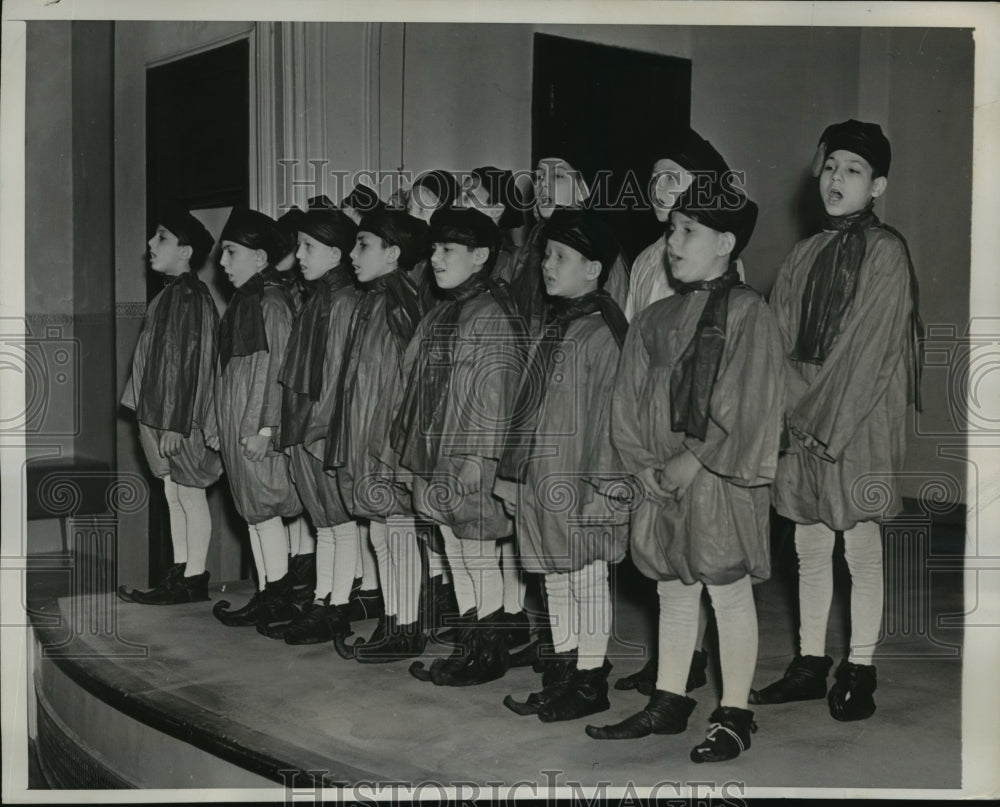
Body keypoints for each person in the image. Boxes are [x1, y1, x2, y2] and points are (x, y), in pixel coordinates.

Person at [590, 179, 782, 764]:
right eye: (671, 229)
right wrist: (642, 464)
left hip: (719, 479)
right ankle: (670, 699)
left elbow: (751, 399)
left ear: (725, 242)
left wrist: (693, 458)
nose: (673, 240)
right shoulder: (654, 316)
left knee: (726, 590)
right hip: (659, 478)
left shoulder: (749, 313)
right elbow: (627, 399)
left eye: (689, 230)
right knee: (672, 587)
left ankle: (735, 712)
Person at [750, 119, 923, 722]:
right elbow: (776, 337)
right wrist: (781, 408)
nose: (836, 179)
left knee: (861, 545)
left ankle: (861, 666)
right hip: (803, 415)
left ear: (877, 185)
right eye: (831, 167)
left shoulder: (886, 253)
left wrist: (811, 414)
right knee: (808, 541)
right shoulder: (805, 252)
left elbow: (868, 351)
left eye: (853, 170)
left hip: (857, 417)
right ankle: (807, 661)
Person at [615, 128, 742, 699]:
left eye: (673, 177)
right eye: (654, 175)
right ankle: (675, 660)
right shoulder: (646, 259)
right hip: (652, 425)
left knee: (701, 554)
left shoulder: (720, 274)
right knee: (665, 550)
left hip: (691, 430)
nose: (656, 186)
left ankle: (692, 660)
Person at [497, 208, 630, 722]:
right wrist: (513, 475)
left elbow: (614, 417)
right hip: (543, 476)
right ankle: (565, 670)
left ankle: (592, 678)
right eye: (546, 255)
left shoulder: (604, 333)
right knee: (554, 574)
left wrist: (606, 485)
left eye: (560, 257)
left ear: (593, 268)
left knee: (586, 577)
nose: (547, 266)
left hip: (581, 479)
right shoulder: (555, 325)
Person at [391, 207, 526, 686]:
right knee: (454, 545)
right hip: (437, 450)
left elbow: (496, 391)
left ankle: (488, 650)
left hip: (469, 455)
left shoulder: (489, 314)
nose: (436, 259)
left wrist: (476, 457)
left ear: (481, 256)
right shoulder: (444, 311)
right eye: (433, 250)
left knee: (478, 549)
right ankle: (472, 641)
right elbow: (414, 387)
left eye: (448, 250)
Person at [326, 209, 427, 662]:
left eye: (362, 244)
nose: (352, 253)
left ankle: (407, 629)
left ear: (393, 252)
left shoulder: (399, 301)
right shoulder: (372, 300)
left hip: (388, 445)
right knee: (381, 536)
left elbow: (408, 386)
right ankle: (393, 621)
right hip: (367, 440)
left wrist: (392, 449)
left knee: (399, 535)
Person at [266, 206, 361, 644]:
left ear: (336, 253)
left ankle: (336, 606)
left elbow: (338, 375)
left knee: (338, 523)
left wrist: (316, 431)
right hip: (306, 430)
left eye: (309, 246)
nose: (299, 255)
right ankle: (321, 599)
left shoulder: (342, 303)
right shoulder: (316, 299)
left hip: (321, 433)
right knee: (324, 524)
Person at [118, 205, 222, 605]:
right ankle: (181, 571)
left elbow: (190, 362)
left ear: (186, 251)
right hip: (165, 415)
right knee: (174, 494)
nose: (150, 244)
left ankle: (193, 577)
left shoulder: (188, 297)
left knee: (189, 493)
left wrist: (177, 424)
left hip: (181, 418)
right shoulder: (170, 295)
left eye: (161, 237)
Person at [210, 208, 303, 629]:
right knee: (253, 512)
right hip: (239, 426)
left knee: (265, 512)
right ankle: (267, 592)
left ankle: (278, 596)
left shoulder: (271, 304)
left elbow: (279, 371)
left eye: (231, 253)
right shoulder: (244, 304)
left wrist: (266, 429)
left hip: (257, 430)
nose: (223, 263)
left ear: (261, 258)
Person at [508, 152, 629, 325]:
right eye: (539, 176)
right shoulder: (528, 248)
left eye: (557, 176)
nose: (544, 184)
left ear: (583, 190)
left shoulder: (599, 247)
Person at [274, 203, 316, 605]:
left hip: (304, 402)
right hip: (289, 400)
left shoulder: (304, 292)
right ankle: (295, 563)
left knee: (303, 497)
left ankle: (303, 564)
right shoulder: (286, 288)